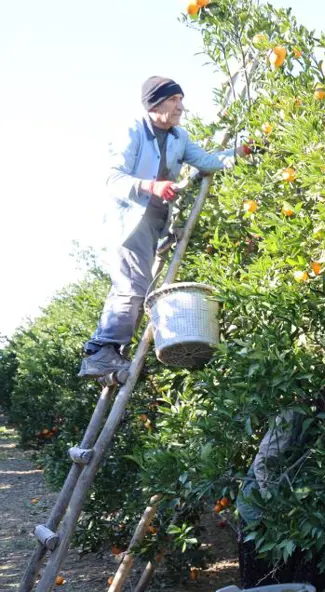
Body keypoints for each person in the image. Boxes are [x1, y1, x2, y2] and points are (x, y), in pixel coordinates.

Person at [79, 76, 252, 378]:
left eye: (180, 100)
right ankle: (100, 352)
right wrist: (151, 186)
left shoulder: (178, 137)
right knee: (131, 286)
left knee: (139, 287)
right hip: (129, 222)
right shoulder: (132, 131)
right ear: (155, 103)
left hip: (157, 224)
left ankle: (110, 351)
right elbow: (113, 178)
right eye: (174, 101)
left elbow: (208, 162)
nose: (180, 107)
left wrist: (240, 154)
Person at [236, 370, 325, 592]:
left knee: (306, 584)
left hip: (298, 515)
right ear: (320, 395)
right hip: (261, 511)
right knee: (266, 589)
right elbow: (264, 463)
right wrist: (276, 508)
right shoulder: (294, 414)